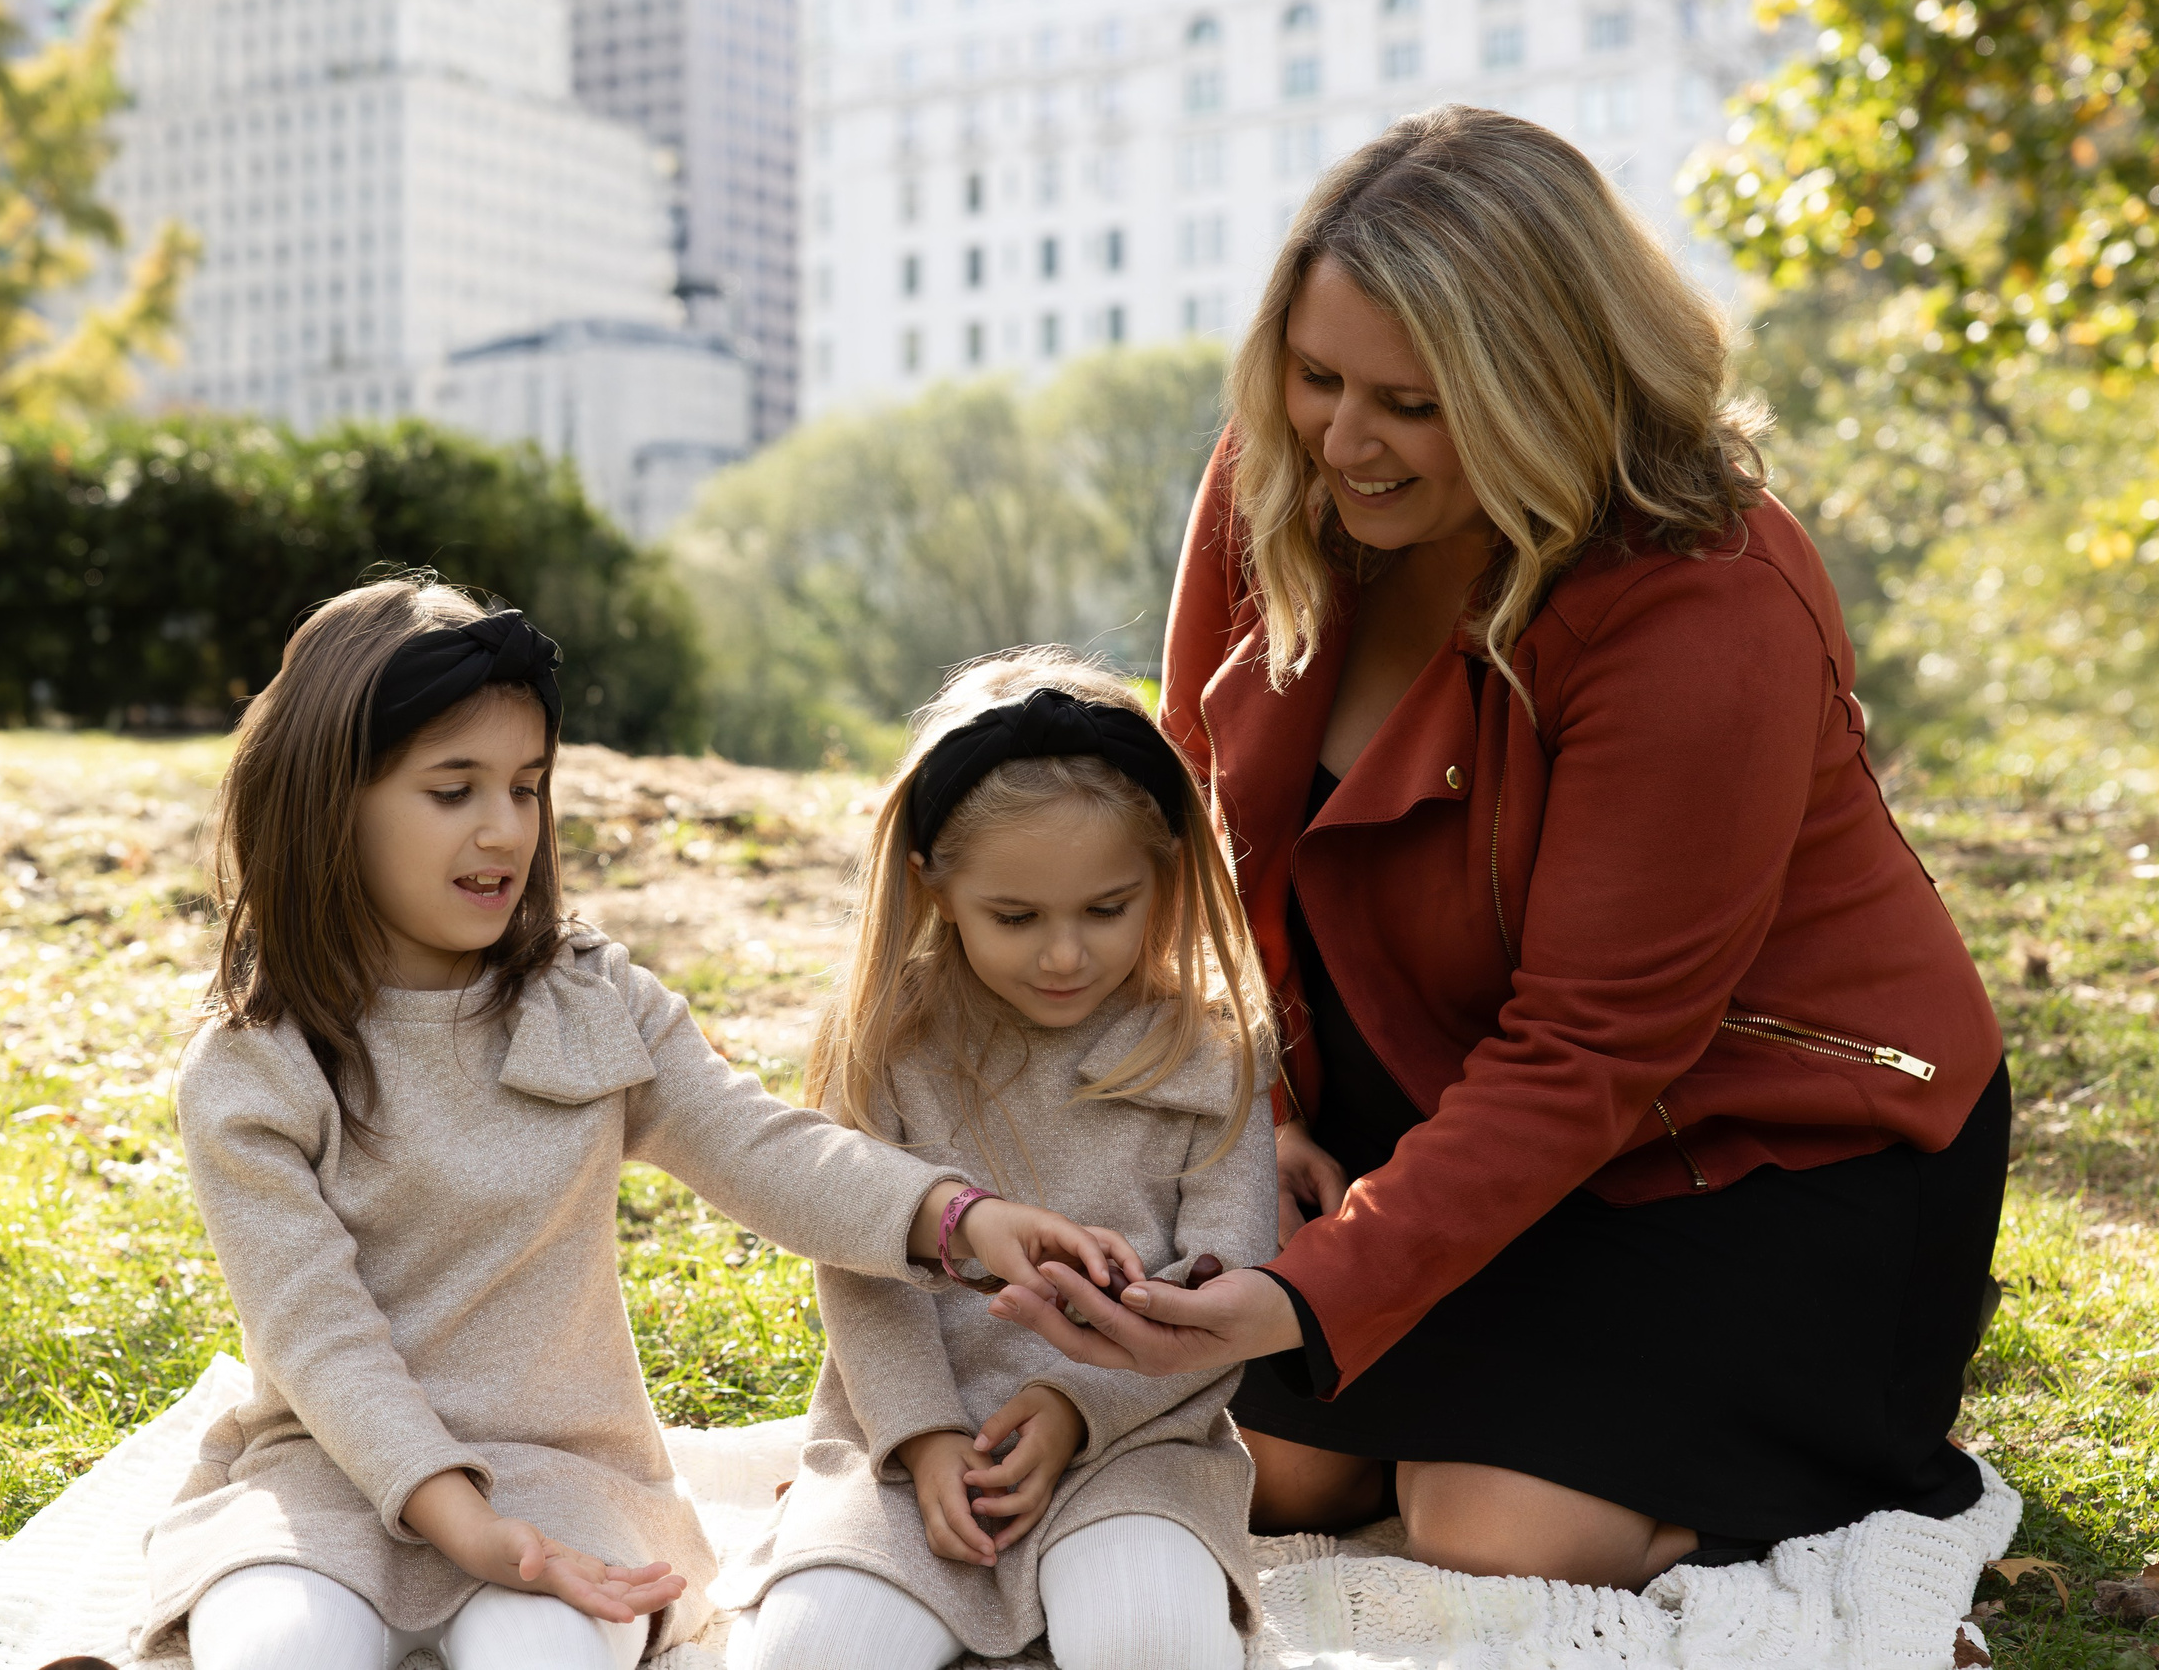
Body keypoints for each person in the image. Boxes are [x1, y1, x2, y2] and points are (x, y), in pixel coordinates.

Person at [988, 104, 2010, 1592]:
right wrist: (1257, 1110)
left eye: (1409, 402)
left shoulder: (1702, 600)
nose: (1344, 434)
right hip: (1439, 1089)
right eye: (1318, 372)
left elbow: (1591, 1050)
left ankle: (1756, 1465)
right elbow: (1210, 832)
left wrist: (1301, 1294)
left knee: (1487, 1525)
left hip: (1757, 1143)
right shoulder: (1283, 475)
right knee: (1268, 1466)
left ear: (1541, 388)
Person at [137, 578, 1135, 1670]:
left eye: (525, 787)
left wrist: (957, 1219)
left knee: (538, 1653)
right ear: (330, 801)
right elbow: (319, 1338)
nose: (502, 828)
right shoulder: (253, 1066)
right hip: (327, 1473)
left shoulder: (588, 997)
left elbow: (760, 1148)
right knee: (279, 1651)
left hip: (567, 1477)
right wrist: (463, 1523)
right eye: (452, 788)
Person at [716, 650, 1280, 1670]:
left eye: (1106, 909)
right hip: (907, 1445)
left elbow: (1220, 1286)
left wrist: (1078, 1407)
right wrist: (923, 1437)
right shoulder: (890, 1050)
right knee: (807, 1656)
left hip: (1135, 1447)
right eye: (1014, 918)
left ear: (1161, 874)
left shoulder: (1209, 1054)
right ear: (934, 888)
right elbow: (861, 1269)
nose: (1064, 955)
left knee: (1148, 1644)